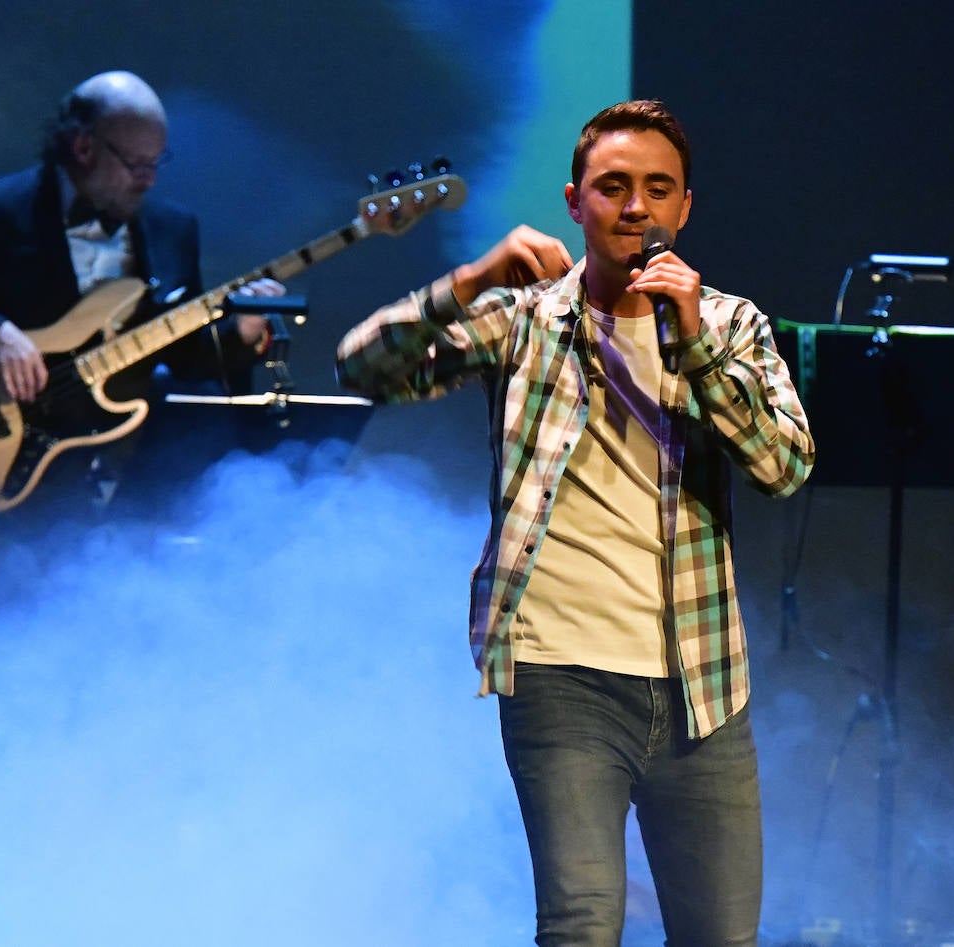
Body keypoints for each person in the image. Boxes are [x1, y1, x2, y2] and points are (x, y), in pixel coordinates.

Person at [336, 99, 815, 945]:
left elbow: (784, 465)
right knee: (583, 921)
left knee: (722, 936)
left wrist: (694, 342)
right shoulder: (526, 320)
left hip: (700, 680)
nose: (636, 207)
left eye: (658, 189)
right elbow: (365, 368)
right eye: (614, 187)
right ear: (574, 200)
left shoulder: (732, 325)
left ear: (685, 208)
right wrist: (469, 279)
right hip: (563, 673)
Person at [0, 69, 283, 523]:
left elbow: (184, 357)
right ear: (83, 148)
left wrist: (240, 336)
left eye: (157, 162)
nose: (149, 180)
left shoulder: (173, 230)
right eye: (136, 164)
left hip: (113, 484)